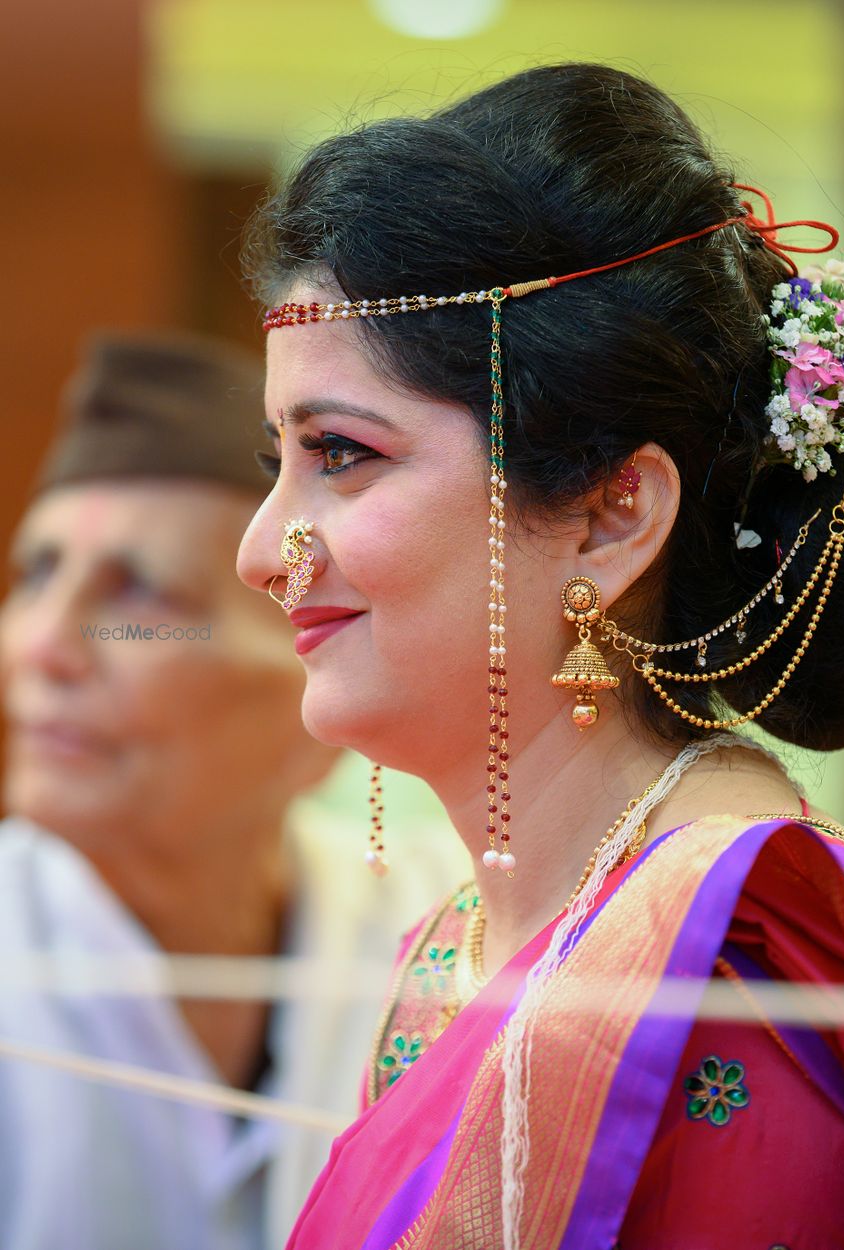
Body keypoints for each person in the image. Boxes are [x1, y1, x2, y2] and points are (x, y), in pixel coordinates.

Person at [236, 64, 844, 1250]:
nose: (256, 551)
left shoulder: (736, 969)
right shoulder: (460, 945)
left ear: (608, 514)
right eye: (274, 460)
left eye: (341, 452)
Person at [0, 332, 458, 1250]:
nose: (43, 647)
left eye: (142, 596)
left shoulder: (456, 938)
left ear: (315, 680)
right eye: (36, 574)